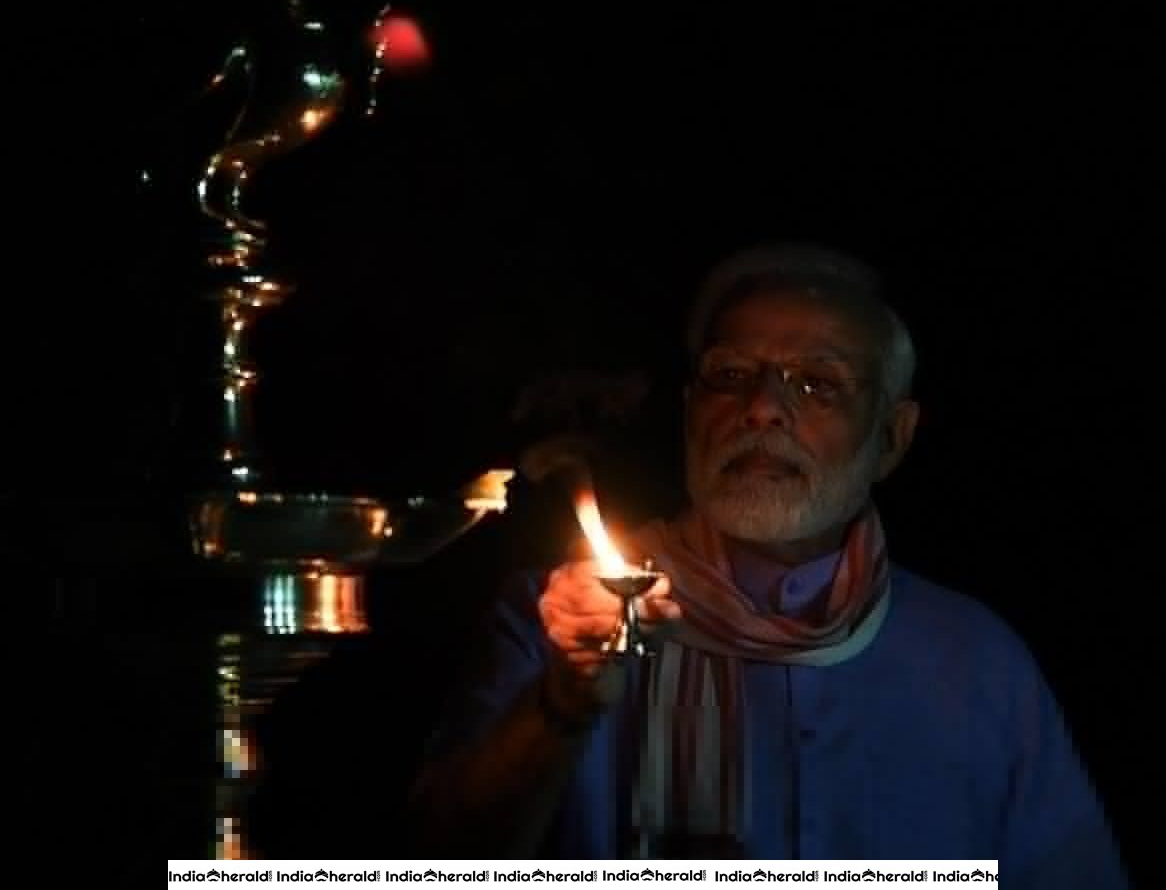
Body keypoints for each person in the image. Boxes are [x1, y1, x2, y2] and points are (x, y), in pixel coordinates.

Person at [407, 243, 1130, 882]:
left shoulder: (976, 662)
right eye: (730, 376)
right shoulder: (558, 622)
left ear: (891, 438)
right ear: (691, 411)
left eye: (817, 383)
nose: (761, 409)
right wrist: (561, 706)